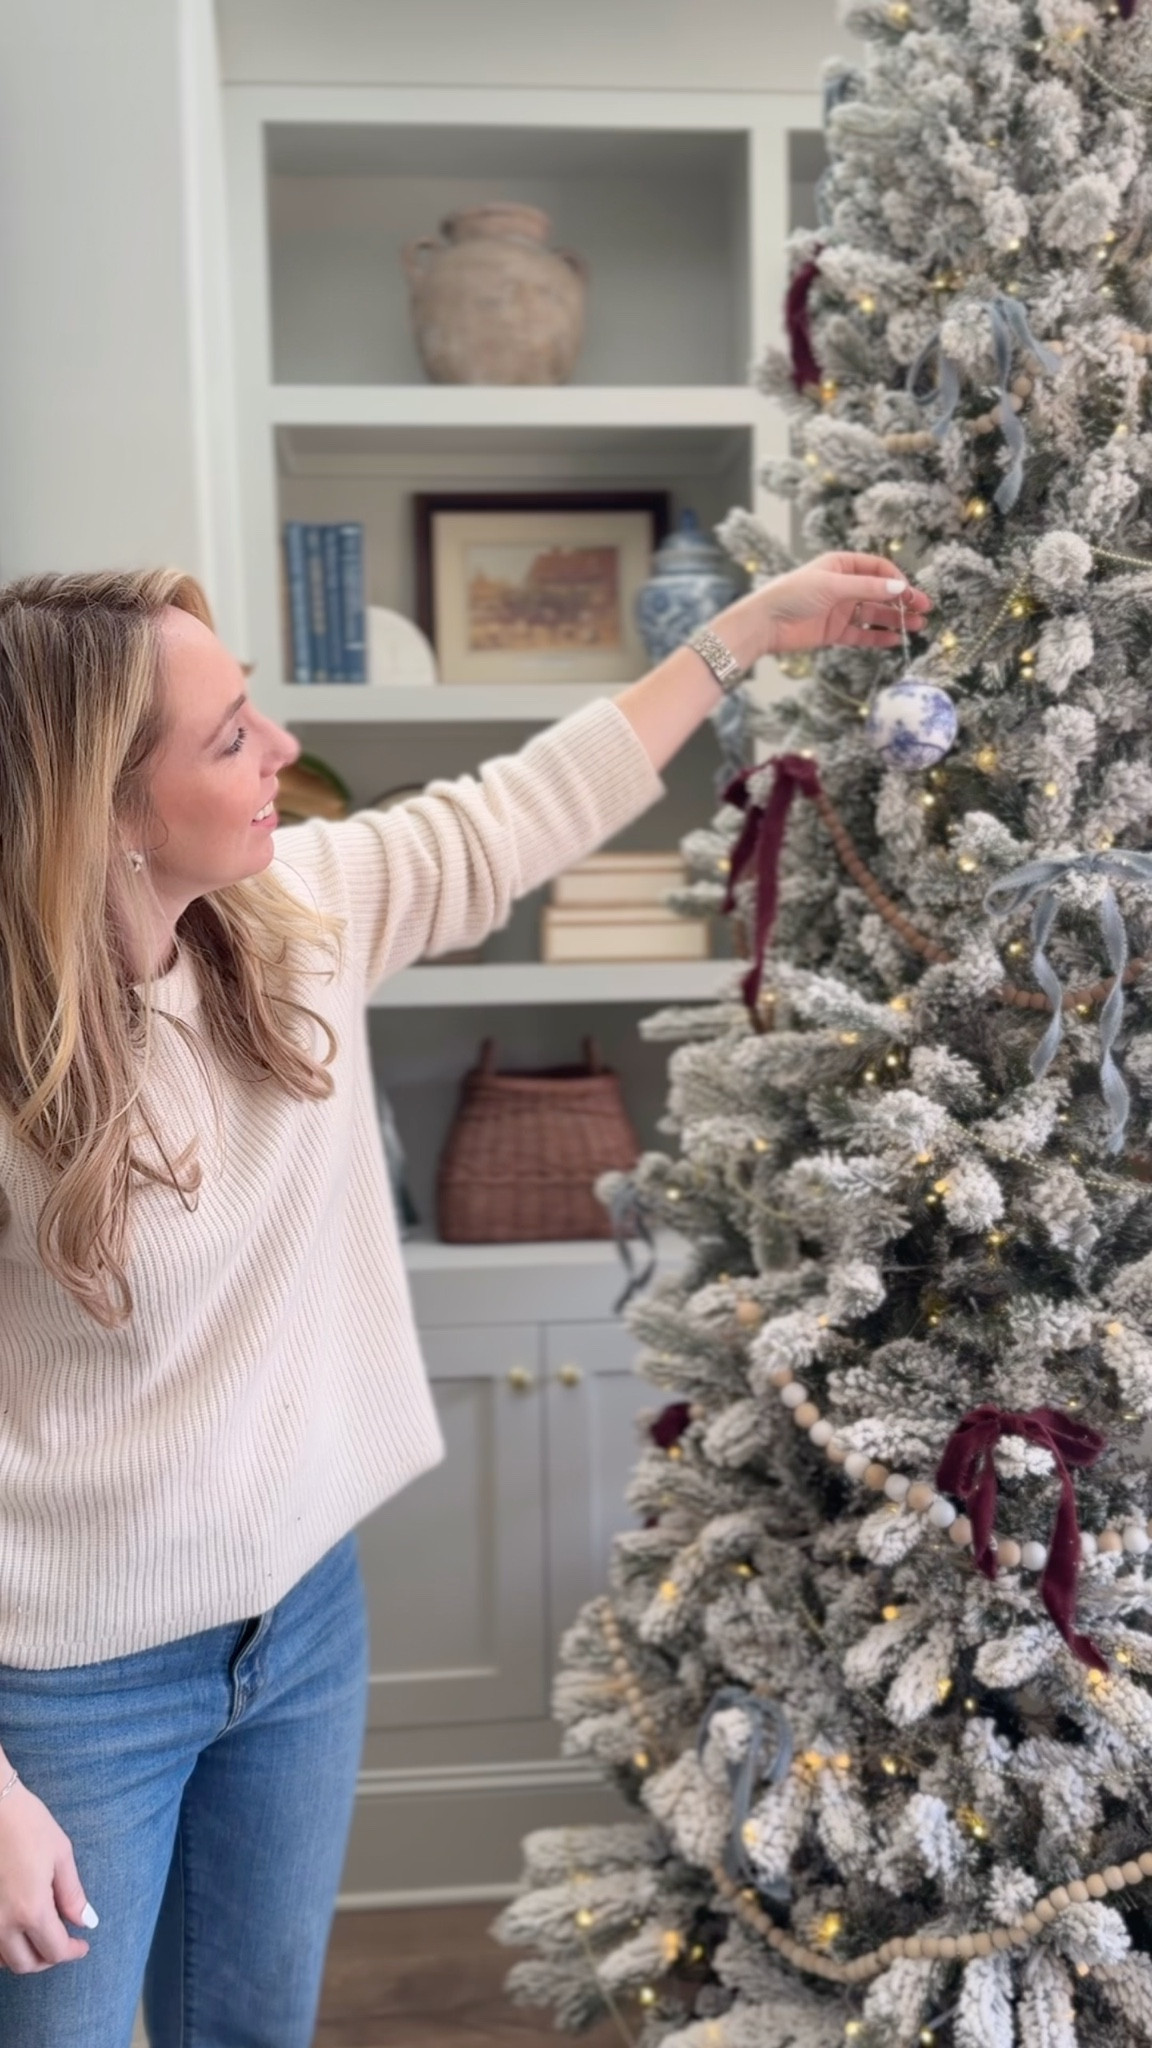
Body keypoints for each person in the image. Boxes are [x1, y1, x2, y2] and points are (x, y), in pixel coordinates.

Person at [0, 552, 930, 2046]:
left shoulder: (297, 910)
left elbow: (519, 809)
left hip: (298, 1619)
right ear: (102, 808)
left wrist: (753, 627)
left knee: (249, 2032)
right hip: (60, 1692)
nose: (283, 752)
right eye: (231, 735)